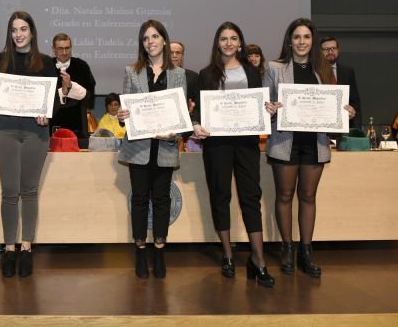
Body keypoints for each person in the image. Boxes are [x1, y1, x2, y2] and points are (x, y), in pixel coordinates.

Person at [264, 18, 355, 278]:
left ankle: (306, 252)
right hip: (284, 142)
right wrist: (268, 107)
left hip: (315, 143)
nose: (301, 42)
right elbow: (265, 102)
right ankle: (287, 249)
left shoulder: (324, 69)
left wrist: (345, 112)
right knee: (284, 196)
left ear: (312, 41)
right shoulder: (274, 68)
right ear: (289, 40)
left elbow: (334, 105)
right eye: (297, 37)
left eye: (306, 37)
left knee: (308, 197)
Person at [192, 22, 276, 287]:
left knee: (251, 196)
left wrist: (268, 109)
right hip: (217, 144)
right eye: (223, 39)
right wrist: (195, 123)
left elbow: (260, 103)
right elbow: (196, 110)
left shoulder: (252, 71)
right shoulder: (205, 74)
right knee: (220, 195)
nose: (228, 43)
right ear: (217, 43)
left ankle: (258, 260)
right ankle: (227, 255)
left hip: (247, 143)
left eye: (233, 38)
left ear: (240, 43)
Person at [0, 11, 62, 278]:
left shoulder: (47, 62)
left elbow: (54, 101)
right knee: (9, 192)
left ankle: (26, 248)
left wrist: (46, 113)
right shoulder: (2, 59)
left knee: (29, 191)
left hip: (35, 132)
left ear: (32, 32)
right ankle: (9, 248)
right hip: (6, 130)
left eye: (23, 29)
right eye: (14, 30)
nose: (19, 34)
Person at [117, 19, 186, 279]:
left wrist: (175, 133)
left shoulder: (178, 74)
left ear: (164, 40)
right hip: (139, 148)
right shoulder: (131, 71)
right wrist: (122, 116)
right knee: (138, 199)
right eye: (146, 38)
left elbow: (180, 115)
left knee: (161, 200)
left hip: (165, 147)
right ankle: (140, 250)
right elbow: (125, 115)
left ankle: (159, 251)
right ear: (142, 44)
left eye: (155, 36)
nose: (151, 42)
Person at [49, 32, 96, 139]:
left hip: (77, 124)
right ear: (53, 49)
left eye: (67, 48)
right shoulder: (47, 66)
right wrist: (63, 92)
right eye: (60, 48)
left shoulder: (82, 66)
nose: (65, 52)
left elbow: (89, 95)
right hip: (52, 123)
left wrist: (71, 86)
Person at [320, 36, 362, 130]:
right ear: (320, 52)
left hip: (343, 127)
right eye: (326, 49)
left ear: (338, 50)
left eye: (333, 48)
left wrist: (357, 131)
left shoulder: (348, 71)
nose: (330, 52)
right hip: (320, 129)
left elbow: (355, 102)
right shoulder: (313, 72)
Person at [170, 40, 198, 113]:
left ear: (182, 56)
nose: (174, 55)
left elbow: (197, 102)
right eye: (170, 53)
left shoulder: (193, 76)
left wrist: (193, 107)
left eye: (178, 53)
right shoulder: (157, 76)